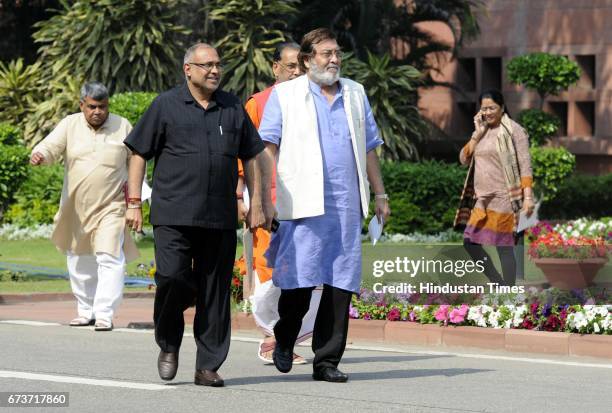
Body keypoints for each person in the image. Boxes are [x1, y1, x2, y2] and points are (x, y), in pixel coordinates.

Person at [123, 43, 272, 388]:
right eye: (206, 65)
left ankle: (208, 365)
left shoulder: (233, 107)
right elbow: (138, 152)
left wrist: (258, 203)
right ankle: (169, 343)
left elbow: (251, 157)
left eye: (218, 65)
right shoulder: (165, 105)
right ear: (188, 69)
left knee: (215, 292)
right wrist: (133, 201)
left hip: (219, 217)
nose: (215, 71)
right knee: (173, 279)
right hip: (173, 213)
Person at [258, 28, 390, 383]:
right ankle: (284, 337)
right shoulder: (285, 95)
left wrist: (380, 194)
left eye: (337, 53)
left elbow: (369, 146)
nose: (334, 60)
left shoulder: (355, 93)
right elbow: (268, 146)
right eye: (326, 54)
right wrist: (265, 198)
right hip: (301, 203)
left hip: (345, 206)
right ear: (306, 59)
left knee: (340, 285)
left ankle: (327, 360)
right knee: (298, 282)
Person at [234, 41, 321, 365]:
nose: (297, 71)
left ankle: (284, 337)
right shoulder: (258, 103)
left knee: (308, 273)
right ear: (275, 68)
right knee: (271, 270)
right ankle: (273, 338)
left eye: (302, 65)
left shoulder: (316, 101)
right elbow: (241, 155)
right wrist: (240, 196)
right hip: (268, 201)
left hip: (308, 202)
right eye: (290, 66)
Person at [30, 81, 139, 332]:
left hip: (112, 206)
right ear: (82, 105)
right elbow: (50, 146)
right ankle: (85, 310)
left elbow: (136, 162)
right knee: (79, 260)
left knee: (109, 257)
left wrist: (134, 201)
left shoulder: (122, 126)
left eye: (102, 106)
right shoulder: (70, 124)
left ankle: (104, 314)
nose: (97, 112)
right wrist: (40, 155)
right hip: (76, 207)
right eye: (92, 107)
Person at [455, 89, 535, 286]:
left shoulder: (514, 131)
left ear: (502, 108)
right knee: (470, 243)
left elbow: (525, 165)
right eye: (484, 109)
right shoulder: (482, 132)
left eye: (492, 108)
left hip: (504, 199)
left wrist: (528, 197)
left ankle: (507, 291)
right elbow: (463, 159)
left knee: (503, 247)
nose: (488, 112)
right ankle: (498, 282)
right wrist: (476, 134)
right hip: (481, 200)